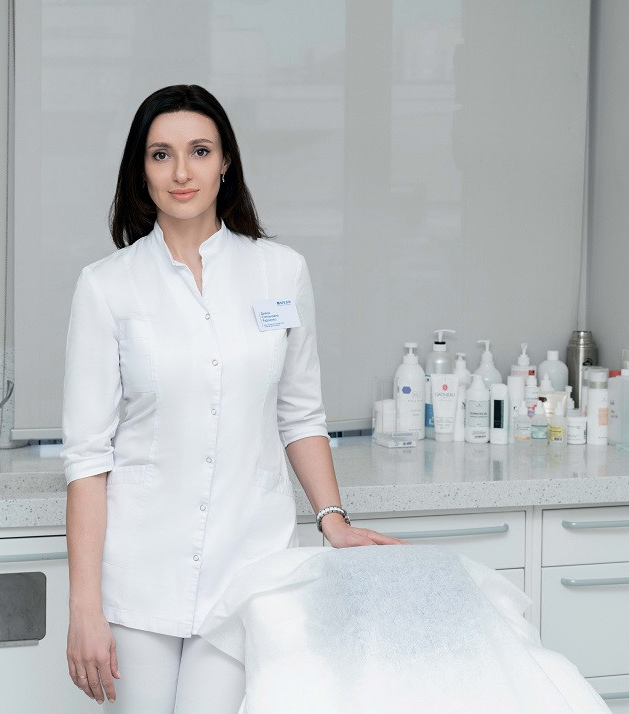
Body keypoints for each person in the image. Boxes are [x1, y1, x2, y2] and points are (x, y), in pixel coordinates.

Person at [62, 84, 402, 713]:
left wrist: (333, 520)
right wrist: (84, 607)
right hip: (142, 571)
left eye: (199, 151)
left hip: (250, 564)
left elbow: (299, 414)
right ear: (141, 170)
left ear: (225, 163)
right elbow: (87, 458)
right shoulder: (107, 287)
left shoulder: (281, 271)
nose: (181, 172)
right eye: (161, 154)